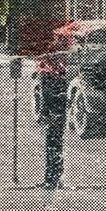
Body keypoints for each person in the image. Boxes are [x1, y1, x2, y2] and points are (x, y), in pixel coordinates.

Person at [37, 57, 68, 189]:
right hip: (51, 77)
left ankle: (52, 178)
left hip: (54, 79)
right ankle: (53, 177)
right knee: (53, 137)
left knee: (53, 137)